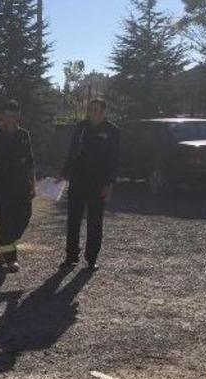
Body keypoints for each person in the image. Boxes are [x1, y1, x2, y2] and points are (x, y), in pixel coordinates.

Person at [60, 98, 120, 271]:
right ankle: (71, 256)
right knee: (73, 220)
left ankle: (91, 258)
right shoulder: (81, 127)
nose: (92, 112)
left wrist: (109, 184)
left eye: (95, 109)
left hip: (99, 183)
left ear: (103, 111)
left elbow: (114, 160)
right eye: (90, 109)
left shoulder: (112, 130)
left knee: (95, 222)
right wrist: (64, 172)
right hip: (78, 179)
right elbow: (72, 151)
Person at [0, 100, 36, 273]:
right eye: (7, 116)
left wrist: (33, 184)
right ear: (2, 117)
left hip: (21, 187)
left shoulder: (24, 135)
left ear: (18, 117)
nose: (11, 120)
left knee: (23, 219)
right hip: (1, 188)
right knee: (4, 222)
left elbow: (30, 162)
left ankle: (4, 243)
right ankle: (11, 259)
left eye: (14, 116)